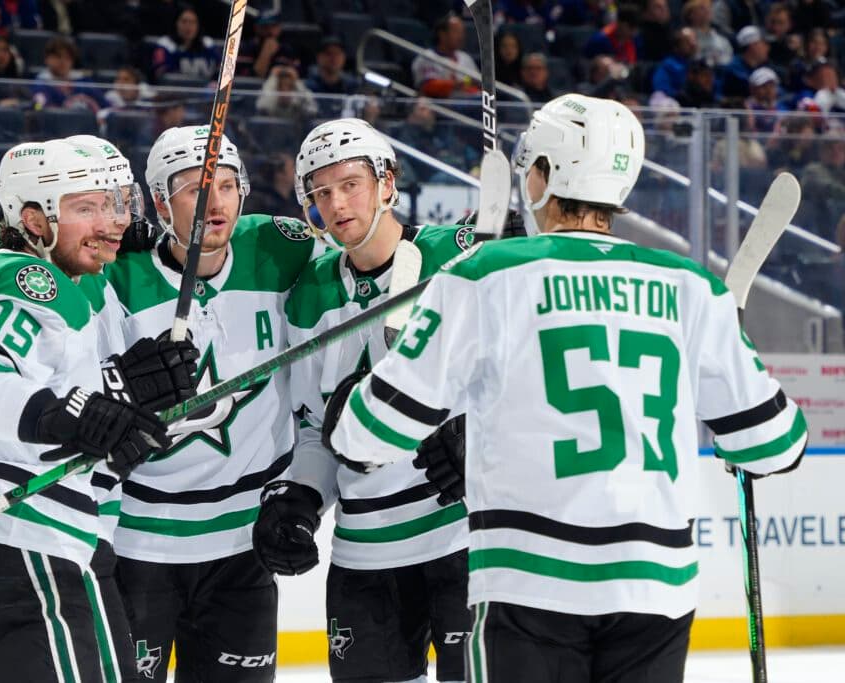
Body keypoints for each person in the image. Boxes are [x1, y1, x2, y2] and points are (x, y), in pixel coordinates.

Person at [324, 94, 808, 683]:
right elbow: (775, 446)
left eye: (529, 169)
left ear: (547, 174)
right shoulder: (694, 289)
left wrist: (376, 373)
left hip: (529, 585)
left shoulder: (484, 276)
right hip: (653, 587)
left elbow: (365, 435)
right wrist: (737, 349)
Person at [0, 138, 195, 681]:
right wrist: (81, 411)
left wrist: (111, 398)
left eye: (118, 202)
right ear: (33, 218)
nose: (114, 223)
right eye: (86, 208)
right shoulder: (38, 282)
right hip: (23, 538)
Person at [254, 117, 471, 683]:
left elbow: (524, 375)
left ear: (388, 183)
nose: (336, 202)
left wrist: (484, 435)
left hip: (462, 538)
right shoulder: (310, 296)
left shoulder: (456, 259)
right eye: (320, 192)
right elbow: (313, 428)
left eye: (350, 183)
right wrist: (300, 498)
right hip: (365, 553)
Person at [105, 125, 320, 682]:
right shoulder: (117, 274)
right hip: (140, 543)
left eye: (227, 185)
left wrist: (476, 235)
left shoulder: (277, 247)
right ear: (157, 201)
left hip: (242, 544)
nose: (214, 201)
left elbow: (373, 249)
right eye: (194, 189)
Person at [411, 12, 480, 99]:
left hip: (467, 104)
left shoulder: (465, 57)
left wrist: (465, 84)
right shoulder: (427, 57)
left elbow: (477, 83)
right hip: (439, 106)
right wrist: (458, 84)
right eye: (456, 31)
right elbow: (428, 87)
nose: (461, 36)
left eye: (462, 32)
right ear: (442, 34)